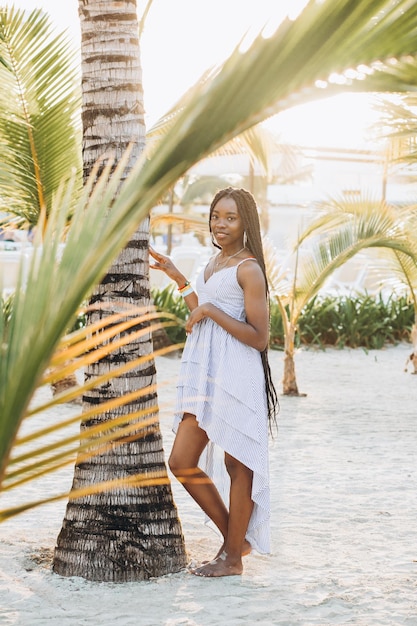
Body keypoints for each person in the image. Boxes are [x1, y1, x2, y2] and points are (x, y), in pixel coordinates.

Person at [149, 187, 279, 577]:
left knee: (238, 465)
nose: (220, 224)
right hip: (207, 372)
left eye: (230, 218)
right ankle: (235, 542)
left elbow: (259, 337)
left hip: (237, 372)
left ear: (246, 223)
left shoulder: (249, 268)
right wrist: (179, 278)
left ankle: (232, 558)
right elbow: (201, 313)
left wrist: (209, 309)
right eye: (215, 216)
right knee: (182, 461)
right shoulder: (215, 261)